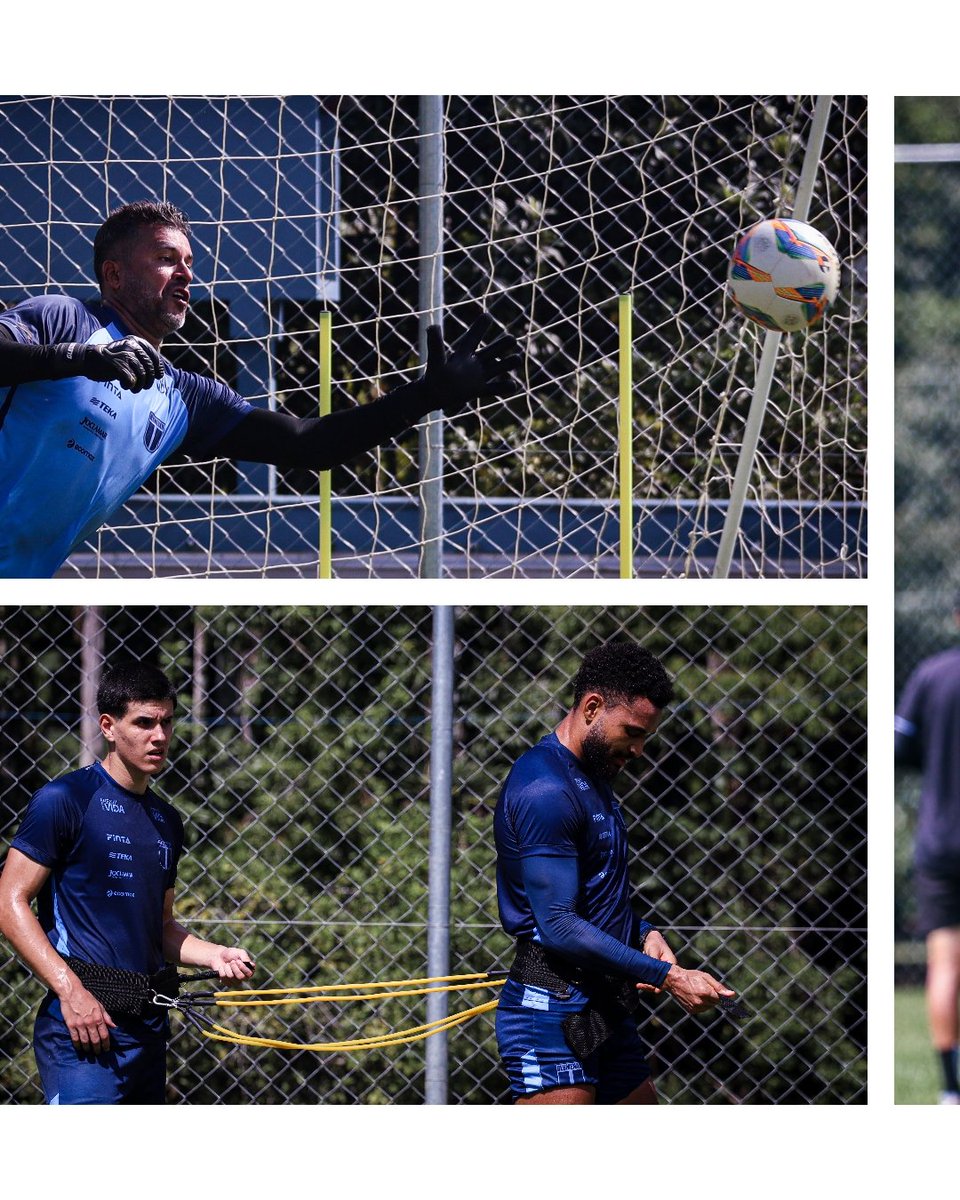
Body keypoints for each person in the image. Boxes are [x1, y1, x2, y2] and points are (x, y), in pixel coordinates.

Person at [0, 199, 520, 577]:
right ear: (112, 275)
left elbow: (310, 445)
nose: (185, 276)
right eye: (165, 259)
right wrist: (82, 359)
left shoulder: (183, 396)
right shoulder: (62, 320)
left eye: (189, 264)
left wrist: (426, 396)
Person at [0, 659, 255, 1104]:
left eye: (166, 722)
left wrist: (216, 955)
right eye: (143, 723)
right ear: (109, 726)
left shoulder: (167, 821)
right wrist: (70, 990)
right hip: (84, 1031)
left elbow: (161, 929)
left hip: (150, 1032)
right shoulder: (65, 800)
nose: (159, 736)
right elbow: (9, 901)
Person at [494, 639, 735, 1105]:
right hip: (551, 1012)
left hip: (603, 1007)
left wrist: (642, 932)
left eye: (646, 736)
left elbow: (592, 889)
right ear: (591, 707)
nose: (640, 749)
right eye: (632, 732)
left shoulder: (593, 778)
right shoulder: (545, 787)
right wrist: (669, 977)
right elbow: (560, 925)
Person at [895, 595, 960, 1105]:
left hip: (941, 841)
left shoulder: (932, 675)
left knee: (945, 964)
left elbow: (900, 752)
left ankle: (950, 1089)